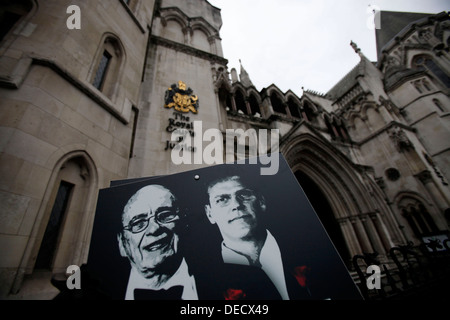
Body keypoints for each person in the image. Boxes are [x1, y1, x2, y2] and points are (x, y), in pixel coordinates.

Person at [204, 174, 313, 300]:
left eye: (244, 195)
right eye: (222, 200)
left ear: (261, 201)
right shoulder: (205, 277)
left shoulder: (308, 249)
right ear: (209, 213)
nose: (236, 205)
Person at [117, 184, 197, 300]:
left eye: (165, 215)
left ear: (185, 224)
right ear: (122, 244)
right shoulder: (94, 290)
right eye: (138, 223)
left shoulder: (219, 281)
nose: (154, 229)